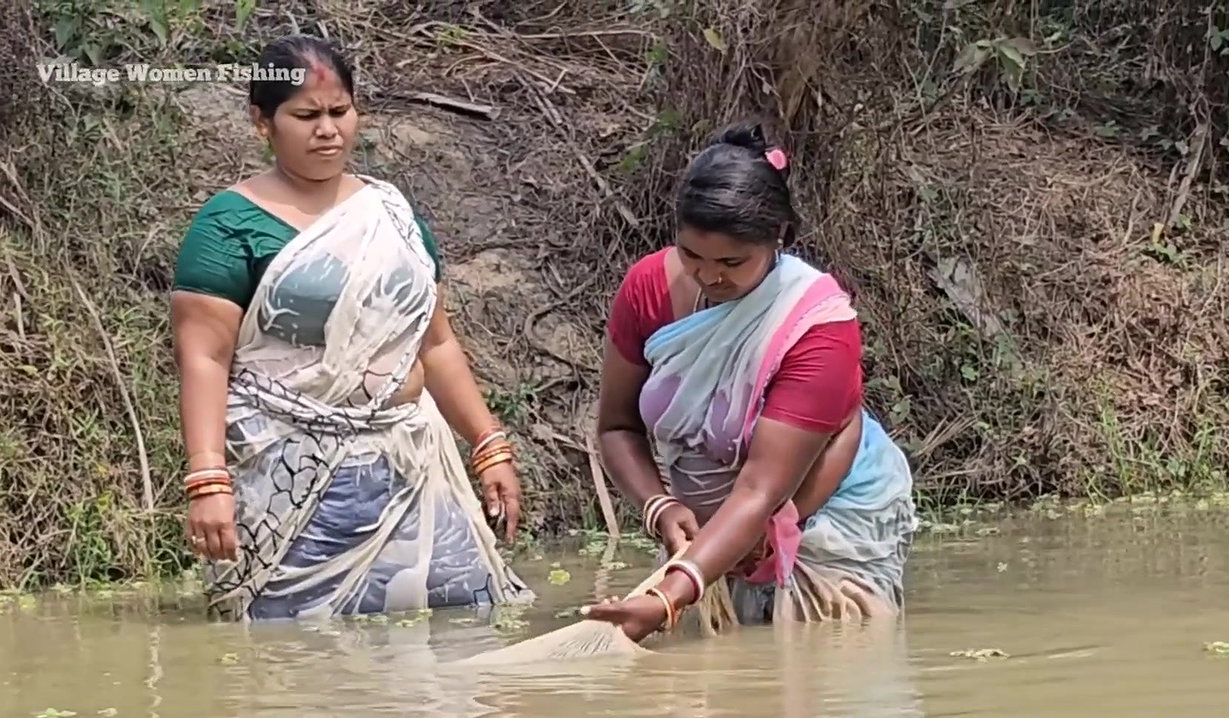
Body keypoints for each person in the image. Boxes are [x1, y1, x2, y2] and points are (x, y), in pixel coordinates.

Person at [169, 34, 532, 621]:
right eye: (306, 115)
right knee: (290, 653)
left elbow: (434, 342)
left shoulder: (390, 214)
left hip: (408, 464)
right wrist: (208, 479)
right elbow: (204, 358)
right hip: (290, 476)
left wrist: (489, 446)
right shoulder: (229, 225)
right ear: (263, 123)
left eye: (340, 112)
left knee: (463, 629)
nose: (328, 130)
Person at [586, 121, 917, 642]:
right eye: (692, 256)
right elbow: (616, 427)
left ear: (779, 237)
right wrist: (661, 506)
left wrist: (669, 597)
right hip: (716, 524)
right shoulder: (647, 290)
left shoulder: (817, 326)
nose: (708, 276)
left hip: (828, 515)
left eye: (732, 262)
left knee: (827, 669)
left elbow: (762, 490)